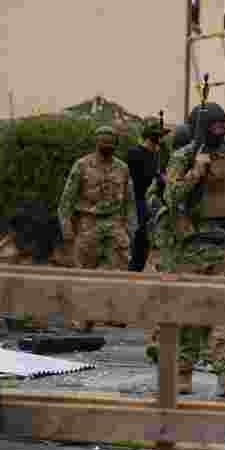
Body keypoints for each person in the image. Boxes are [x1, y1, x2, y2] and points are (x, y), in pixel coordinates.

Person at [145, 102, 225, 397]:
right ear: (200, 127)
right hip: (189, 248)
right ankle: (181, 373)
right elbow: (171, 196)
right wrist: (196, 171)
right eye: (214, 126)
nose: (221, 131)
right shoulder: (183, 157)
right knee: (189, 313)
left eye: (224, 126)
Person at [57, 124, 137, 330]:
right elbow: (67, 198)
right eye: (102, 142)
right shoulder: (82, 165)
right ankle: (83, 318)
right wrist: (66, 225)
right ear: (96, 143)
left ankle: (113, 313)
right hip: (88, 224)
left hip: (114, 223)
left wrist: (131, 226)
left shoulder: (122, 168)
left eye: (110, 143)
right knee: (84, 273)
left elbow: (130, 200)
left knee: (118, 271)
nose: (106, 146)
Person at [127, 118, 169, 272]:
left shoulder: (157, 155)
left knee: (145, 243)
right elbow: (133, 180)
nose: (160, 140)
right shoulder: (134, 153)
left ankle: (137, 270)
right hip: (136, 202)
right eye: (158, 136)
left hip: (150, 203)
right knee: (137, 240)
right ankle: (131, 271)